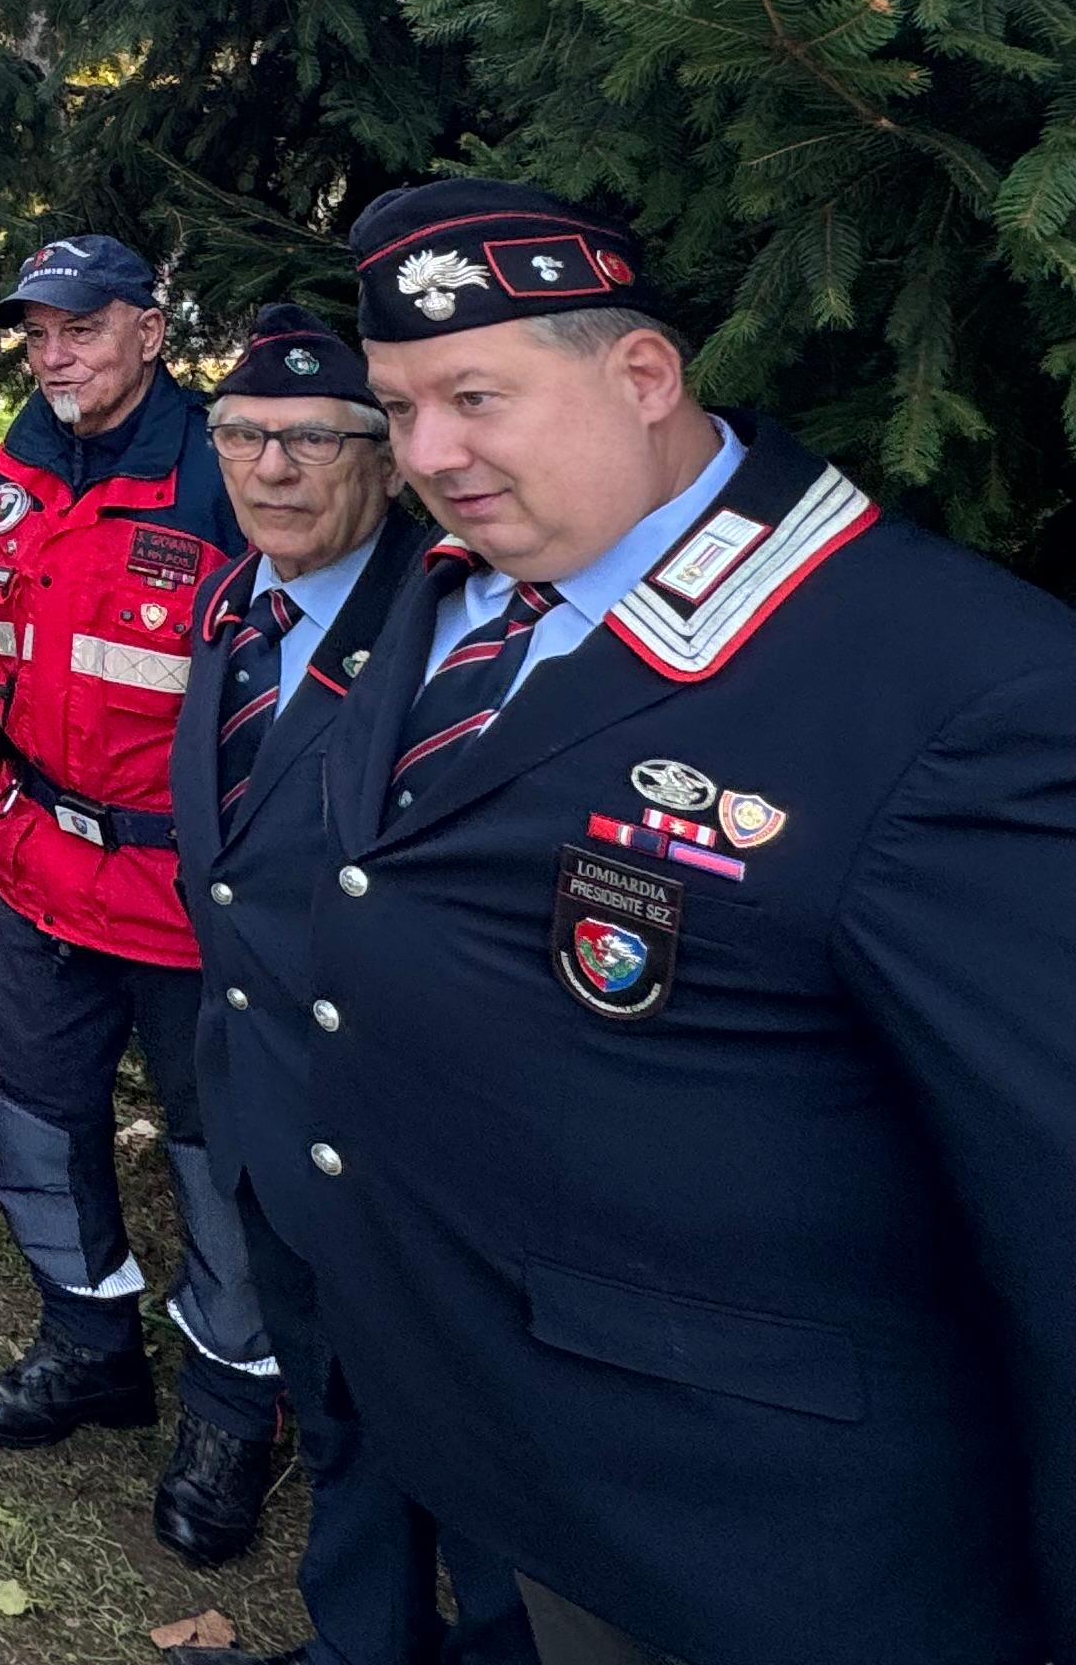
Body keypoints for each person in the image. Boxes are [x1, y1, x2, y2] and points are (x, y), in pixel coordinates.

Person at [305, 181, 1076, 1665]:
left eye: (475, 397)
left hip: (762, 1546)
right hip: (505, 1457)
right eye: (398, 409)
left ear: (645, 378)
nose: (426, 457)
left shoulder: (960, 693)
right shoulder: (473, 587)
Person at [170, 305, 532, 1665]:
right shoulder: (235, 603)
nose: (274, 468)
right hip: (270, 1108)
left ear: (384, 459)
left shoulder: (449, 632)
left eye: (316, 438)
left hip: (412, 1138)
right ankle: (361, 1642)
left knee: (475, 1467)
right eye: (246, 436)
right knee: (334, 1421)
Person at [0, 231, 279, 1565]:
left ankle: (233, 1412)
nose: (56, 350)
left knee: (216, 1163)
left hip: (185, 904)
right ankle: (88, 1346)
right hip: (37, 869)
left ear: (149, 327)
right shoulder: (19, 468)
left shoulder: (222, 475)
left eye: (82, 325)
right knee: (33, 1111)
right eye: (38, 327)